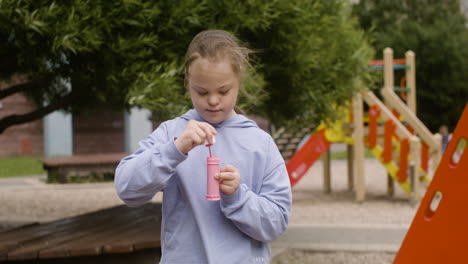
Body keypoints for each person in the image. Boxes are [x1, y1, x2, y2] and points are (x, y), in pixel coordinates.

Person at [115, 29, 292, 264]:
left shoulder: (260, 143)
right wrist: (174, 150)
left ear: (238, 82)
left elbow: (277, 223)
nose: (213, 100)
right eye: (201, 91)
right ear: (188, 84)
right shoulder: (172, 133)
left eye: (223, 91)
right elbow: (127, 189)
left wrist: (238, 197)